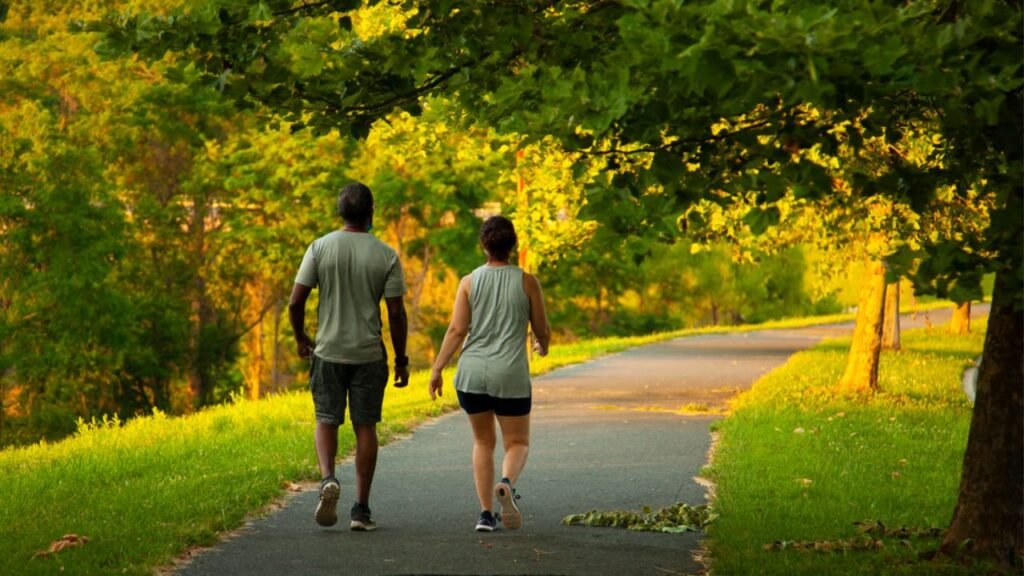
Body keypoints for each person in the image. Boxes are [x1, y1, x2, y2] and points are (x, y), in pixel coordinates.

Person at [288, 182, 409, 532]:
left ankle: (328, 478)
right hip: (369, 354)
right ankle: (361, 509)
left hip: (327, 352)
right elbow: (397, 313)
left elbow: (296, 301)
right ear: (371, 213)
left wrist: (301, 338)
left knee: (326, 419)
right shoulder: (386, 254)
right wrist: (401, 359)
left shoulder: (319, 248)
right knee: (365, 425)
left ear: (340, 212)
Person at [428, 215, 551, 532]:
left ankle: (485, 515)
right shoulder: (527, 282)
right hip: (509, 375)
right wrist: (543, 346)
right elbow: (542, 330)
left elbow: (457, 330)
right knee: (518, 442)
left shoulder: (469, 282)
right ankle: (506, 483)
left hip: (472, 375)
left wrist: (437, 368)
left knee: (483, 442)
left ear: (484, 245)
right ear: (513, 245)